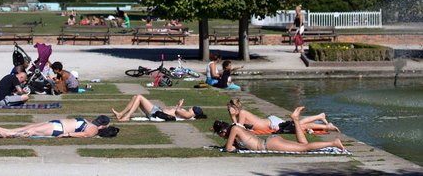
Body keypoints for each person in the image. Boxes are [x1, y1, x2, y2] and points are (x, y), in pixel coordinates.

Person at [213, 106, 345, 152]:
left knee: (304, 148)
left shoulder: (235, 129)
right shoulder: (236, 129)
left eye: (221, 135)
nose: (223, 137)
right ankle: (295, 119)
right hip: (270, 141)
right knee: (304, 145)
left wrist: (228, 145)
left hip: (269, 144)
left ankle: (333, 143)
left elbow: (228, 149)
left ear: (223, 132)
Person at [226, 98, 340, 132]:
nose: (228, 110)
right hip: (272, 123)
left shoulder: (242, 113)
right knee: (297, 125)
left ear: (235, 108)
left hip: (273, 124)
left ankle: (324, 122)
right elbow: (238, 126)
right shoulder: (241, 113)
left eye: (230, 108)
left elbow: (239, 128)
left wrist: (232, 116)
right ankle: (320, 117)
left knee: (297, 126)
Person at [0, 115, 111, 138]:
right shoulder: (91, 124)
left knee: (32, 130)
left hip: (59, 129)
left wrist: (68, 134)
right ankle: (7, 130)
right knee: (31, 126)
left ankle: (9, 134)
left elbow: (84, 134)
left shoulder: (93, 129)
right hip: (56, 124)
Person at [111, 94, 207, 121]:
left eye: (192, 108)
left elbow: (180, 113)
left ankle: (127, 116)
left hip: (156, 113)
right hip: (157, 110)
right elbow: (177, 111)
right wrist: (178, 106)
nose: (190, 108)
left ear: (194, 111)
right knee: (136, 97)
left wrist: (179, 106)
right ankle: (121, 114)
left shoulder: (189, 114)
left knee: (139, 97)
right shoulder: (189, 113)